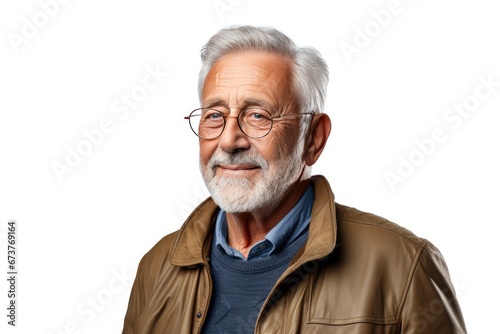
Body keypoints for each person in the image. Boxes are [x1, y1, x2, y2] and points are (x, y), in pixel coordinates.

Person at [122, 25, 467, 333]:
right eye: (214, 115)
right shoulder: (157, 268)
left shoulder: (401, 265)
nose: (229, 141)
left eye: (258, 115)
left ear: (313, 138)